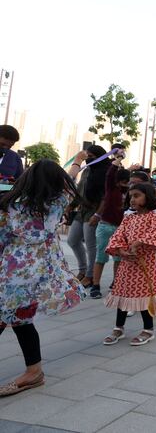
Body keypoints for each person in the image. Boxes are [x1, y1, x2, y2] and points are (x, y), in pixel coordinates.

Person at [0, 160, 85, 397]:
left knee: (12, 319)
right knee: (21, 321)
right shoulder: (59, 202)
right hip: (40, 275)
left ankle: (34, 372)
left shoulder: (9, 206)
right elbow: (71, 180)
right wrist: (78, 160)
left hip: (12, 275)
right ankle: (34, 371)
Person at [102, 182, 156, 347]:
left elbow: (155, 236)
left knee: (144, 297)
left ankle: (148, 329)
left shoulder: (153, 217)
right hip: (126, 265)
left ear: (147, 197)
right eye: (131, 196)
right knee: (122, 296)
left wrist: (138, 243)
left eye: (137, 196)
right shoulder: (128, 218)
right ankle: (118, 327)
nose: (132, 199)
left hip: (144, 265)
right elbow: (118, 235)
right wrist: (120, 250)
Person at [65, 145, 109, 287]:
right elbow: (79, 190)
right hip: (82, 209)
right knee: (72, 240)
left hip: (95, 210)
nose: (87, 159)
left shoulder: (106, 172)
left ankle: (90, 276)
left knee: (91, 245)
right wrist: (71, 205)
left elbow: (106, 196)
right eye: (86, 155)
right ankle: (83, 270)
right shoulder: (87, 170)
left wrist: (97, 214)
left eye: (91, 156)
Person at [88, 151, 131, 299]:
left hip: (121, 229)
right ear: (118, 181)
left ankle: (116, 283)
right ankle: (95, 285)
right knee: (101, 257)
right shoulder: (112, 188)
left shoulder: (129, 193)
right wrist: (118, 158)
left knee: (119, 259)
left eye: (127, 182)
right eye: (123, 182)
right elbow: (110, 173)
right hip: (106, 226)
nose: (125, 185)